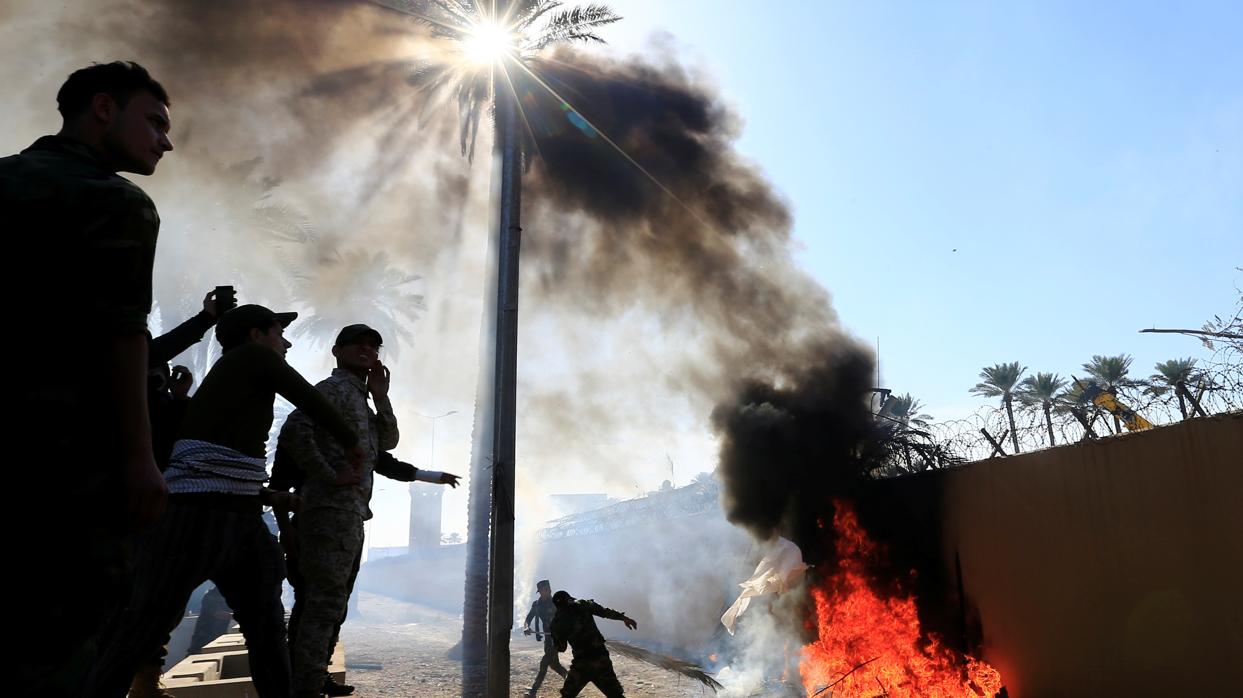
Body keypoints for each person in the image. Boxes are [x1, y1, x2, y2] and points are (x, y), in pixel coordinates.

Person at [2, 60, 174, 695]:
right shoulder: (118, 203)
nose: (165, 140)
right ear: (104, 108)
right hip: (68, 472)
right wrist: (139, 460)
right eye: (154, 122)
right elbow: (123, 334)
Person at [88, 305, 364, 698]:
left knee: (266, 624)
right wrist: (351, 443)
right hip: (197, 515)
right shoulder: (251, 358)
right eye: (278, 333)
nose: (285, 342)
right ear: (255, 335)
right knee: (143, 626)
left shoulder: (235, 378)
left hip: (238, 514)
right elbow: (311, 400)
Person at [277, 324, 460, 697]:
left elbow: (385, 447)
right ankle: (305, 686)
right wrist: (328, 474)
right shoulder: (334, 390)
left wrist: (381, 398)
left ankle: (314, 675)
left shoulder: (361, 398)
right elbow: (294, 431)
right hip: (328, 511)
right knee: (322, 602)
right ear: (337, 351)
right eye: (357, 343)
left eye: (373, 345)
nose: (367, 348)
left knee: (332, 604)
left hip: (350, 516)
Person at [550, 590, 638, 698]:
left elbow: (561, 648)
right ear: (569, 598)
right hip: (601, 660)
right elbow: (604, 612)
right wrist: (624, 618)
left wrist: (556, 635)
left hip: (581, 664)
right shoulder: (583, 604)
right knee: (616, 695)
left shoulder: (557, 622)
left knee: (567, 696)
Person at [524, 579, 568, 696]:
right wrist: (526, 627)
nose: (547, 592)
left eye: (548, 589)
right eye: (543, 590)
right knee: (554, 665)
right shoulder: (537, 605)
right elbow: (528, 618)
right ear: (541, 591)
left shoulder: (557, 603)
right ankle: (570, 679)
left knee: (544, 663)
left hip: (557, 639)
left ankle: (533, 692)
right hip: (548, 639)